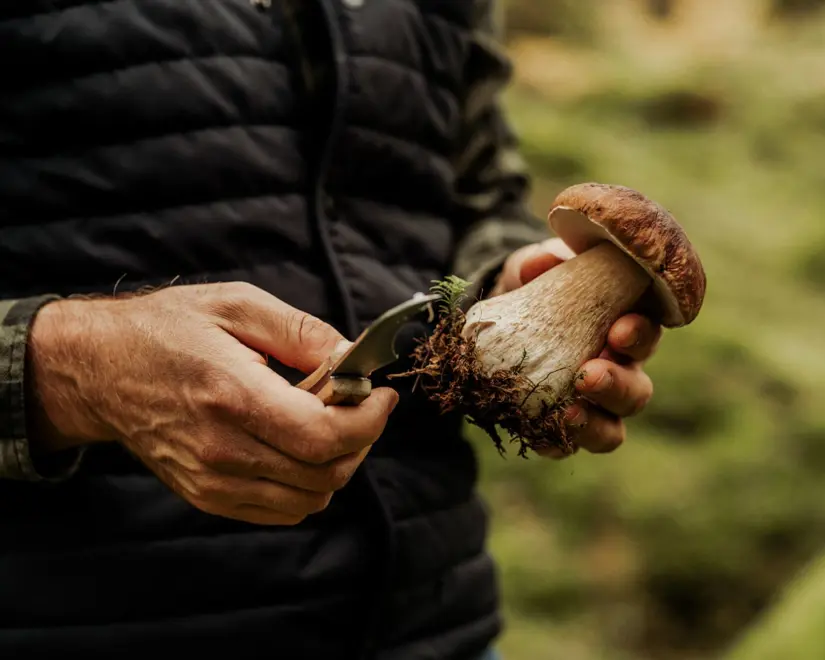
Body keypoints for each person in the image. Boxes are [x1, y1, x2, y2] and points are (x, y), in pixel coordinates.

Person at [0, 0, 661, 658]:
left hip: (435, 618)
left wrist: (510, 282)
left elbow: (474, 192)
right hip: (90, 618)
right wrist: (66, 368)